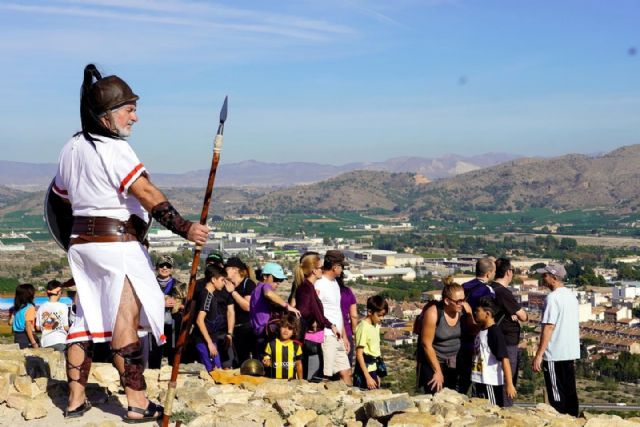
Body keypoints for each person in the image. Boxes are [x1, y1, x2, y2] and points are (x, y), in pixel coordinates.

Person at [53, 64, 208, 421]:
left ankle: (75, 400)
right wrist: (184, 227)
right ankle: (137, 403)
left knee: (85, 317)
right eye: (129, 109)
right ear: (106, 117)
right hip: (117, 244)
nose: (135, 118)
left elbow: (60, 199)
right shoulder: (115, 149)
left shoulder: (70, 148)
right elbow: (146, 192)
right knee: (125, 317)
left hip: (81, 244)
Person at [532, 263, 580, 417]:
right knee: (570, 391)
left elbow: (549, 328)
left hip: (555, 353)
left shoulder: (552, 298)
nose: (542, 278)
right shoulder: (571, 295)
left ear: (553, 278)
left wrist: (539, 354)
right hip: (570, 352)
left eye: (545, 275)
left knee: (556, 393)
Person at [417, 276, 474, 394]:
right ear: (447, 301)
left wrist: (470, 316)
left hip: (454, 361)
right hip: (434, 360)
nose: (462, 303)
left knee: (452, 396)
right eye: (459, 301)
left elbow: (473, 331)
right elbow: (426, 344)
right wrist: (437, 371)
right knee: (435, 393)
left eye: (464, 299)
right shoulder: (434, 313)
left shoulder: (464, 310)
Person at [294, 252, 339, 380]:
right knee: (311, 374)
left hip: (308, 335)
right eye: (320, 268)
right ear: (314, 270)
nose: (322, 270)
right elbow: (304, 311)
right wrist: (314, 321)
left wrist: (330, 324)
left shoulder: (308, 287)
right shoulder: (306, 289)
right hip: (307, 337)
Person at [489, 258, 528, 406]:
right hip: (507, 340)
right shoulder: (503, 292)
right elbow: (524, 316)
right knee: (508, 378)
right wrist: (517, 314)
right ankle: (506, 409)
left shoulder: (490, 288)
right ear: (508, 272)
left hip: (494, 338)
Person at [458, 257, 496, 395]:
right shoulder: (487, 291)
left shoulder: (463, 287)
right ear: (488, 273)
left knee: (462, 380)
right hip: (477, 337)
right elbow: (490, 314)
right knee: (478, 380)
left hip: (460, 336)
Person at [471, 297, 517, 407]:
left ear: (487, 313)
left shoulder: (494, 332)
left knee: (491, 412)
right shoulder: (482, 330)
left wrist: (509, 384)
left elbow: (504, 359)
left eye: (477, 311)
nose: (475, 313)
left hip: (490, 381)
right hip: (480, 379)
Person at [315, 250, 352, 385]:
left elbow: (337, 310)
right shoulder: (320, 284)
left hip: (338, 336)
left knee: (346, 371)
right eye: (341, 266)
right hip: (327, 335)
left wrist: (344, 336)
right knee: (327, 374)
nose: (342, 270)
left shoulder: (335, 283)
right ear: (335, 266)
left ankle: (350, 399)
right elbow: (317, 311)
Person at [250, 262, 301, 359]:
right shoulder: (265, 286)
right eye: (275, 279)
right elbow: (268, 293)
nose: (277, 283)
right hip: (266, 335)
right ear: (265, 276)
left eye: (280, 280)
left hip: (258, 335)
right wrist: (287, 306)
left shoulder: (256, 289)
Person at [194, 265, 235, 373]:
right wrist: (209, 343)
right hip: (204, 342)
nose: (224, 283)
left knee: (218, 370)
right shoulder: (206, 296)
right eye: (222, 280)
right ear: (213, 279)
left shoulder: (211, 295)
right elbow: (199, 320)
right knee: (212, 372)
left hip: (212, 339)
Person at [149, 255, 187, 369]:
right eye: (162, 265)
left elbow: (186, 305)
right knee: (154, 353)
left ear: (172, 269)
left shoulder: (181, 285)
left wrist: (179, 305)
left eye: (168, 266)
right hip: (155, 325)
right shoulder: (149, 285)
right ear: (157, 267)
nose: (165, 268)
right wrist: (162, 304)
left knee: (173, 352)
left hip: (174, 326)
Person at [224, 257, 257, 366]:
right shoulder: (229, 285)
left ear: (235, 270)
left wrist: (233, 292)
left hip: (247, 327)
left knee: (248, 359)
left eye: (227, 268)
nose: (225, 271)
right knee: (238, 360)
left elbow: (248, 306)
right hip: (234, 329)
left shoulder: (248, 284)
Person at [353, 295, 388, 390]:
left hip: (373, 369)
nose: (382, 318)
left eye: (383, 315)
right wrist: (367, 376)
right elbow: (359, 354)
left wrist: (377, 374)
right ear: (369, 312)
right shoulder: (363, 327)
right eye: (379, 315)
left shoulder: (376, 325)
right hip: (364, 371)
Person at [262, 313, 303, 380]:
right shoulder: (271, 345)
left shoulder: (296, 347)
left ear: (294, 331)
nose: (286, 330)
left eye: (290, 328)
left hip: (291, 382)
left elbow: (298, 365)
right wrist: (266, 363)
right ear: (279, 327)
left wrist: (300, 381)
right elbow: (266, 360)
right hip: (275, 382)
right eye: (284, 327)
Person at [35, 280, 70, 351]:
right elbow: (66, 327)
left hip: (45, 342)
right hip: (60, 340)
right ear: (59, 292)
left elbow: (38, 327)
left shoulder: (41, 307)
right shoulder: (63, 306)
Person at [338, 272, 358, 366]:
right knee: (347, 365)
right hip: (347, 330)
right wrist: (354, 331)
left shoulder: (327, 290)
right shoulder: (347, 292)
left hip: (330, 331)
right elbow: (353, 315)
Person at [11, 284, 38, 349]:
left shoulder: (17, 308)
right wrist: (33, 342)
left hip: (17, 337)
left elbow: (10, 322)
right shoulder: (30, 308)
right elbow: (28, 326)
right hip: (26, 337)